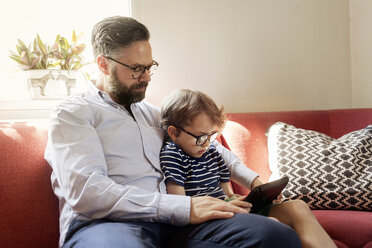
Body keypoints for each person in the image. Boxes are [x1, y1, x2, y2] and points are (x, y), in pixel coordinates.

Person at [44, 16, 303, 248]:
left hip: (174, 224)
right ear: (103, 64)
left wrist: (256, 184)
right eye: (136, 69)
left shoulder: (152, 114)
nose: (146, 77)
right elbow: (88, 193)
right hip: (107, 225)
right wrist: (183, 207)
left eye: (149, 67)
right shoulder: (72, 114)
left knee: (278, 236)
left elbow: (211, 147)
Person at [159, 89, 337, 248]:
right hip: (205, 219)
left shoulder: (212, 152)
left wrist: (246, 199)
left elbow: (227, 195)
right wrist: (227, 205)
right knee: (272, 226)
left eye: (211, 136)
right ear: (174, 133)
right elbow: (180, 205)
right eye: (200, 137)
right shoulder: (173, 155)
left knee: (297, 206)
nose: (206, 143)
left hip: (227, 210)